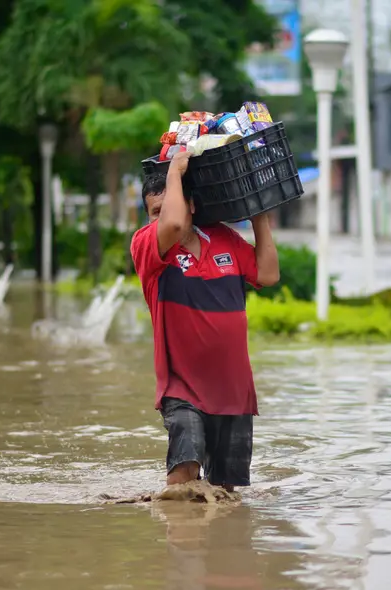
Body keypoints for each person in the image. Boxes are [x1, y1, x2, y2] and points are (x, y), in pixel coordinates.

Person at [130, 151, 280, 493]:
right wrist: (176, 171)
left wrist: (258, 216)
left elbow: (269, 274)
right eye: (156, 211)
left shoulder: (224, 239)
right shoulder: (146, 246)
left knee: (226, 494)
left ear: (192, 205)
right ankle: (182, 540)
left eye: (174, 205)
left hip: (234, 390)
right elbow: (172, 225)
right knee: (183, 481)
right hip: (182, 389)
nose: (163, 217)